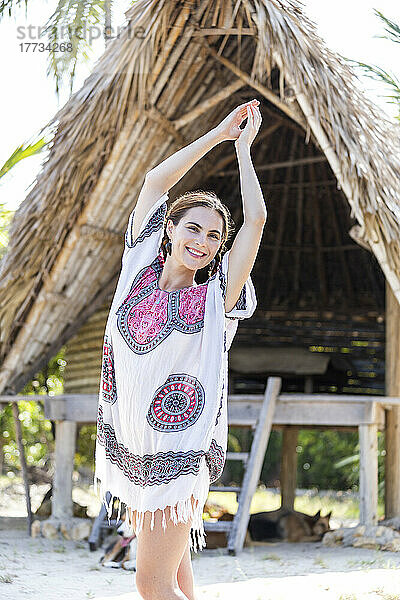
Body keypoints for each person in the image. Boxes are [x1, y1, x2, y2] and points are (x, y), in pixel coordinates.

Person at [94, 98, 266, 600]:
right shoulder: (138, 262)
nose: (204, 241)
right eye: (193, 227)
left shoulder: (215, 299)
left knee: (151, 585)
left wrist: (243, 151)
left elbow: (254, 222)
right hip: (138, 453)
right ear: (168, 229)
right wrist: (216, 134)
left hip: (179, 458)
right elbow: (154, 182)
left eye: (214, 236)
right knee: (176, 584)